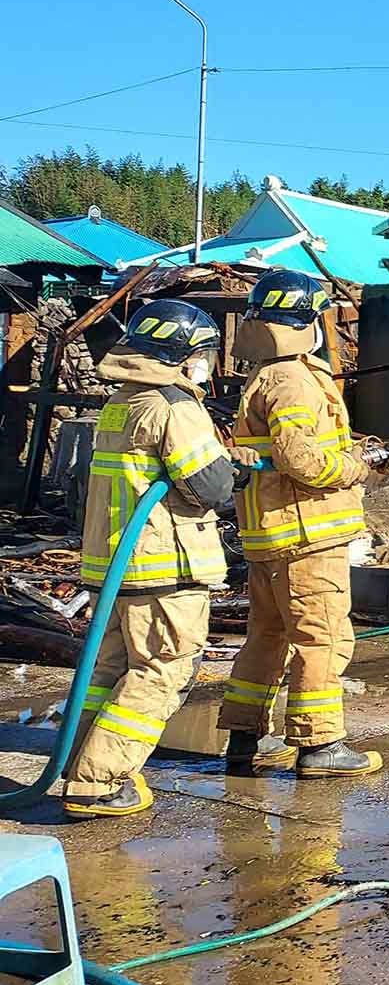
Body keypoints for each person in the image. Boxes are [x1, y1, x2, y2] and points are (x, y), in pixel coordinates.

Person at [64, 300, 244, 818]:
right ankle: (100, 782)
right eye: (205, 354)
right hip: (165, 565)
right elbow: (208, 486)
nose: (207, 364)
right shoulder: (174, 407)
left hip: (117, 564)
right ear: (184, 355)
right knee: (162, 670)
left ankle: (79, 766)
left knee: (110, 671)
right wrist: (234, 475)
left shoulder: (121, 402)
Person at [216, 269, 382, 778]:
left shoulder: (267, 373)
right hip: (307, 536)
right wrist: (360, 467)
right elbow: (302, 459)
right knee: (323, 637)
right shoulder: (293, 381)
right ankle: (321, 746)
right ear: (308, 320)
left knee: (268, 637)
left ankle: (247, 740)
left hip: (272, 536)